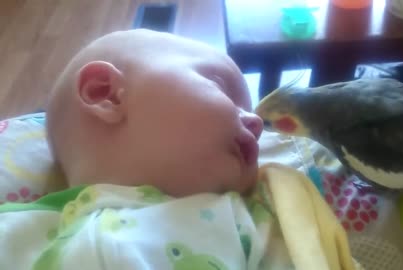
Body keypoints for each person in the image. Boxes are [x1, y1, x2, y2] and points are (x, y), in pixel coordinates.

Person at [0, 29, 358, 270]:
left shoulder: (256, 220)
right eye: (219, 85)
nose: (253, 121)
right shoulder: (18, 231)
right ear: (106, 93)